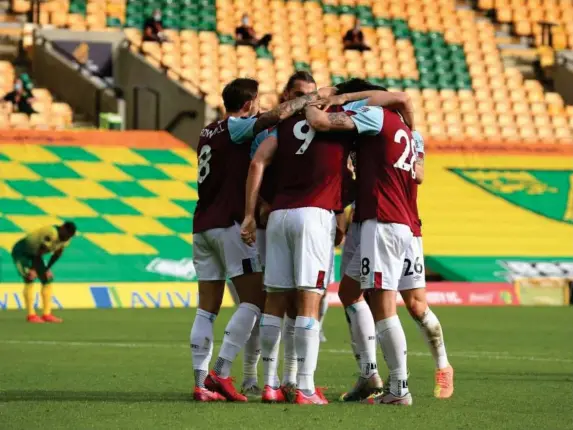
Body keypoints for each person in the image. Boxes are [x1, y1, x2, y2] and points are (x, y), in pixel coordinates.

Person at [241, 82, 412, 405]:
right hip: (314, 214)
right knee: (308, 301)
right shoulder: (346, 117)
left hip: (278, 216)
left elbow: (258, 161)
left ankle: (270, 384)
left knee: (275, 300)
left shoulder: (288, 122)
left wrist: (250, 213)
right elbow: (390, 102)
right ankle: (305, 387)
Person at [190, 77, 323, 402]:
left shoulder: (208, 131)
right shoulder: (236, 126)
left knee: (207, 309)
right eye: (257, 102)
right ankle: (220, 372)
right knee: (256, 301)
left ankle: (200, 383)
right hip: (228, 223)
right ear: (248, 104)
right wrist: (308, 101)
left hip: (201, 225)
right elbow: (269, 119)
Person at [304, 89, 421, 406]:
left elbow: (321, 121)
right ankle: (369, 372)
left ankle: (399, 388)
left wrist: (313, 102)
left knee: (384, 308)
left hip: (383, 221)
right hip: (389, 220)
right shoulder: (404, 130)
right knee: (349, 291)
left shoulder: (375, 117)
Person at [11, 222, 77, 323]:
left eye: (70, 236)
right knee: (30, 277)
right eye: (67, 235)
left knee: (47, 279)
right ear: (63, 228)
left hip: (35, 255)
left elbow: (57, 254)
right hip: (22, 252)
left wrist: (47, 269)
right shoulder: (51, 233)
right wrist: (33, 269)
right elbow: (39, 252)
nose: (68, 238)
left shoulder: (66, 239)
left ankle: (47, 314)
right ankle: (31, 315)